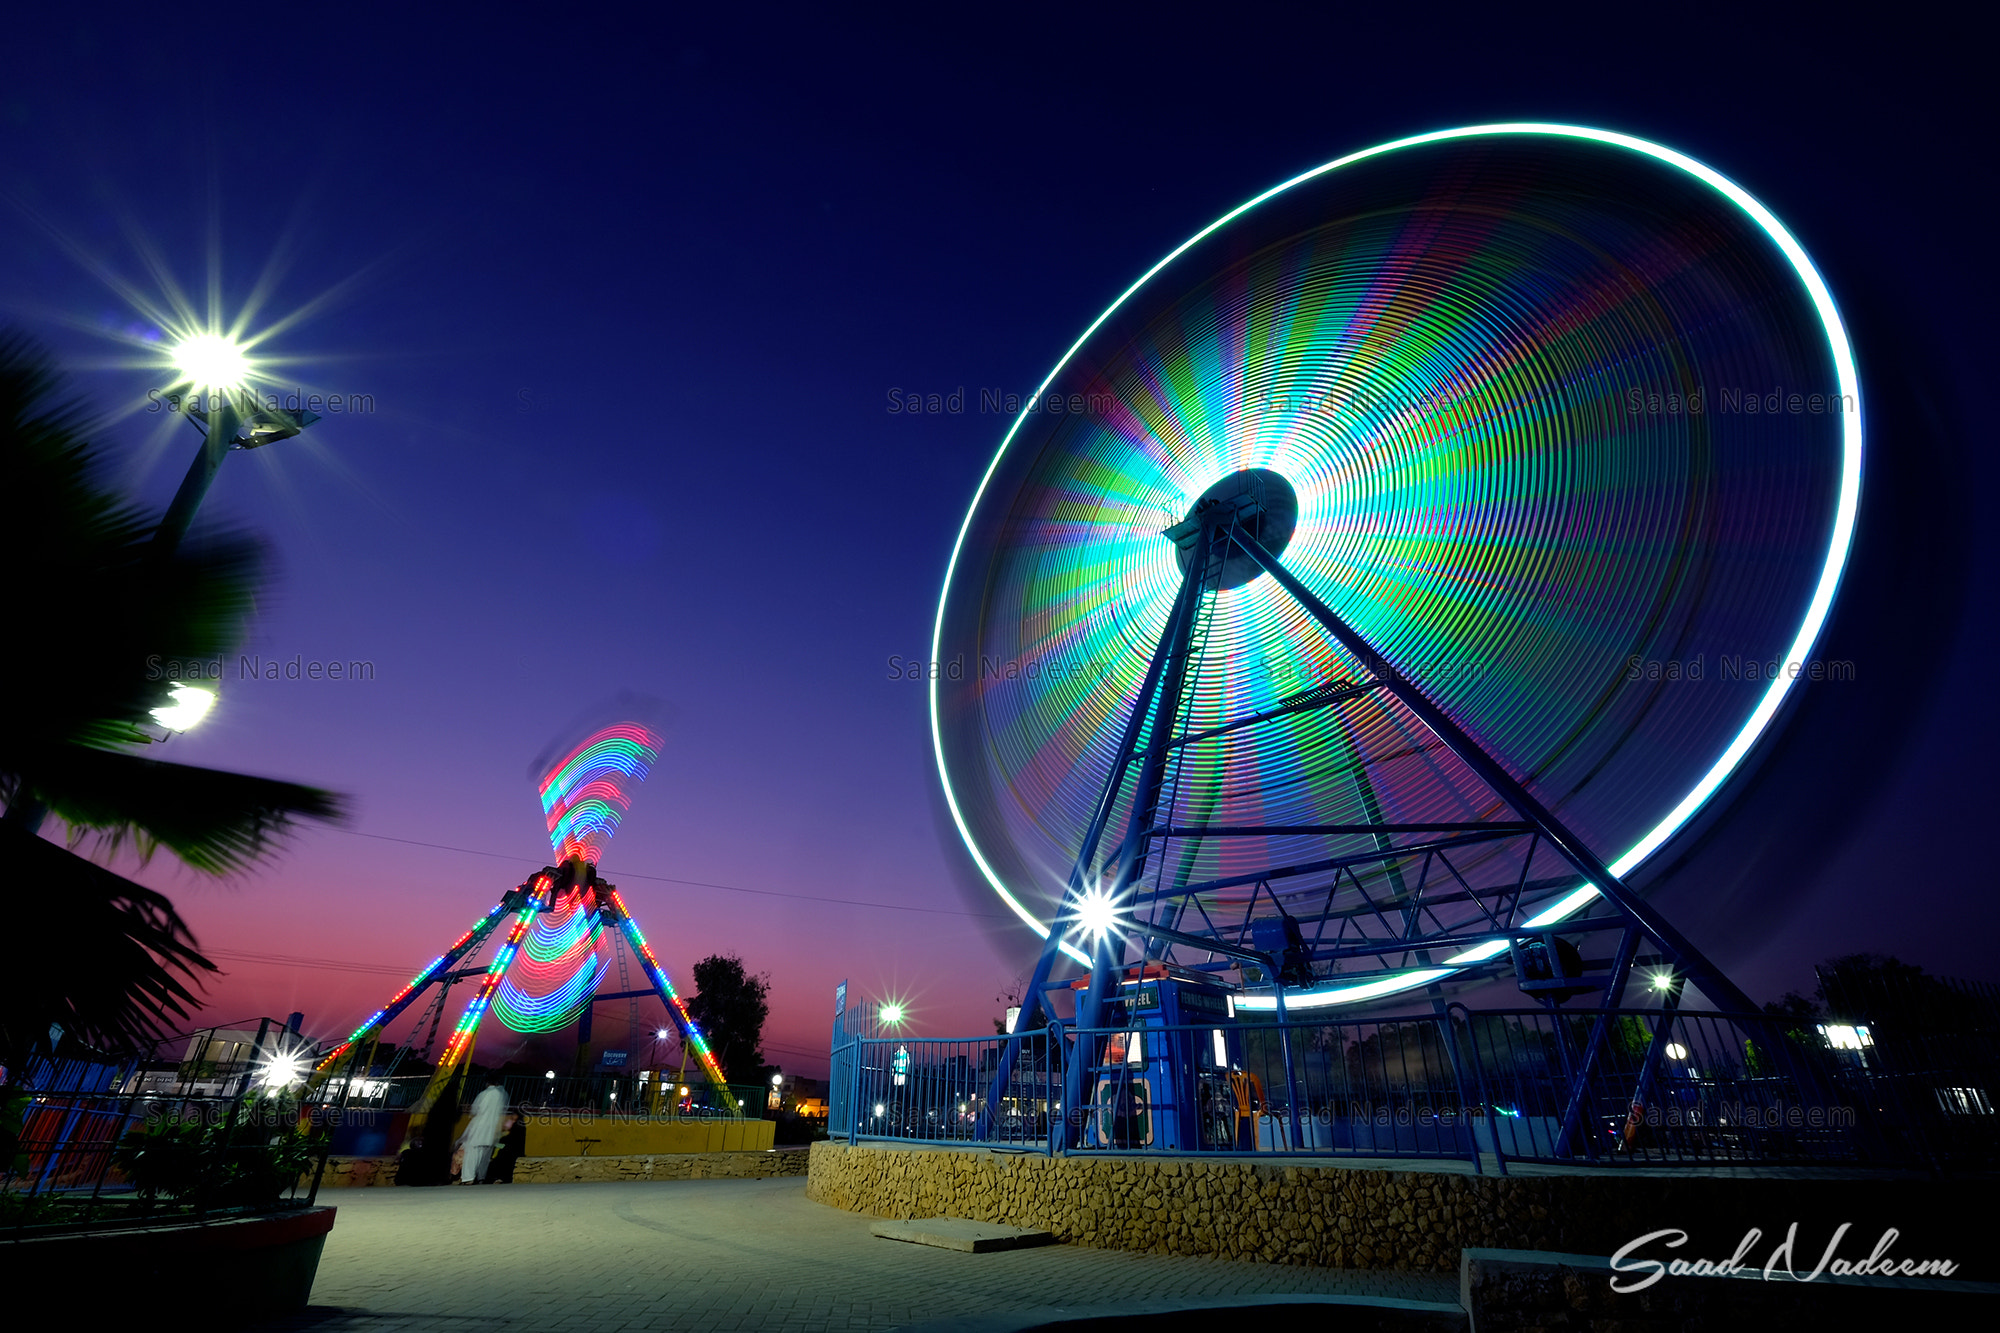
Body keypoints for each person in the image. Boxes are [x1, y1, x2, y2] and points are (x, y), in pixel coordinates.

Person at [457, 1079, 509, 1184]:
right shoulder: (502, 1095)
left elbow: (475, 1110)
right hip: (492, 1129)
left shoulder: (484, 1094)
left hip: (479, 1127)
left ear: (487, 1083)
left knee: (472, 1152)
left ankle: (468, 1178)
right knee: (485, 1154)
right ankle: (481, 1177)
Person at [488, 1111, 526, 1183]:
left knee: (502, 1157)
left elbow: (514, 1139)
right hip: (507, 1146)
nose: (512, 1116)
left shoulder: (519, 1125)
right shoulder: (513, 1123)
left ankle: (501, 1178)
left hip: (513, 1149)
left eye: (514, 1115)